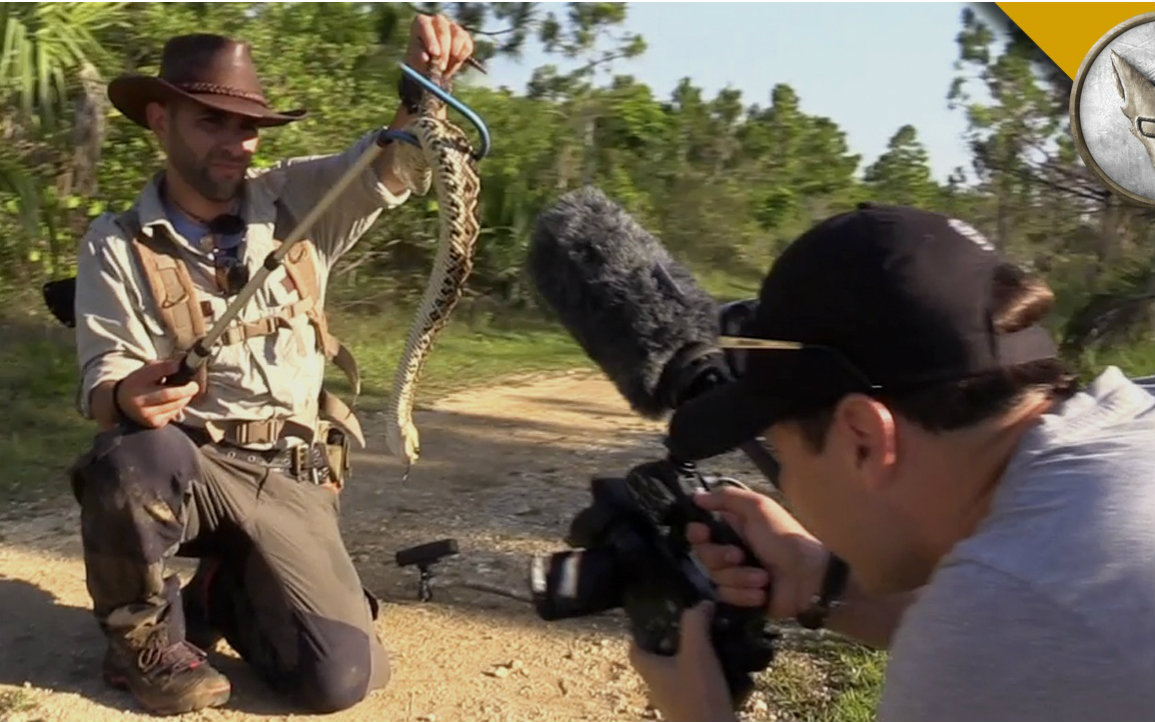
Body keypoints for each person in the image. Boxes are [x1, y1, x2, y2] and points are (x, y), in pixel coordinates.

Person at [67, 15, 476, 716]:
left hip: (291, 476)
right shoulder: (116, 243)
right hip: (188, 470)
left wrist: (424, 85)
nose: (235, 143)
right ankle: (141, 641)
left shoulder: (300, 199)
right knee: (128, 457)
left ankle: (223, 590)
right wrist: (128, 394)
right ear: (160, 120)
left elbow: (395, 159)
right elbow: (103, 377)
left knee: (339, 681)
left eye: (247, 127)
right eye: (211, 123)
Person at [629, 203, 1155, 722]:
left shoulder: (1002, 609)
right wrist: (824, 584)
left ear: (863, 438)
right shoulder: (1128, 436)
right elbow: (1053, 637)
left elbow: (1013, 622)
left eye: (781, 452)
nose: (785, 483)